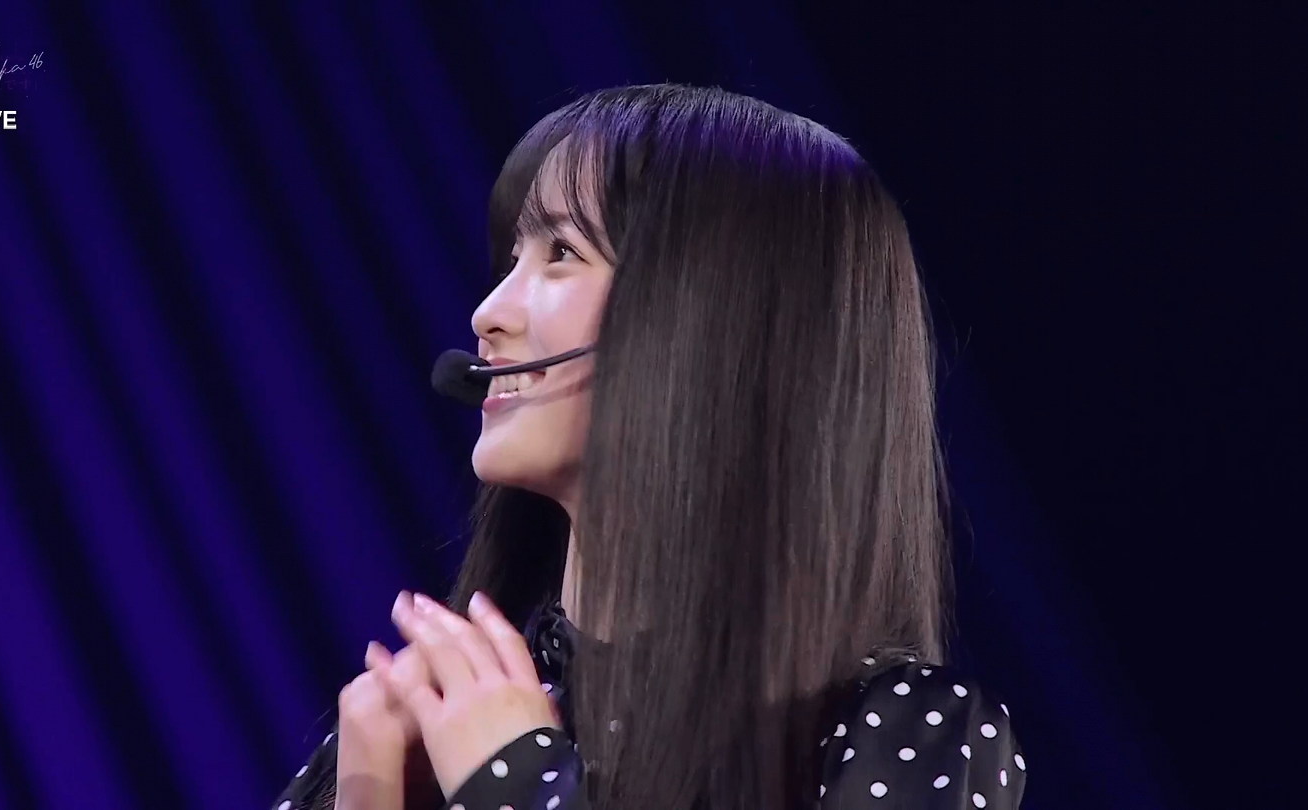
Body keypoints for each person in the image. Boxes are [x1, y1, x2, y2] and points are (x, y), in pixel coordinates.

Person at [270, 82, 1028, 810]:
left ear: (717, 324)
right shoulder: (436, 714)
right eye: (511, 259)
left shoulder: (903, 731)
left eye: (561, 252)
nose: (489, 313)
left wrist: (517, 782)